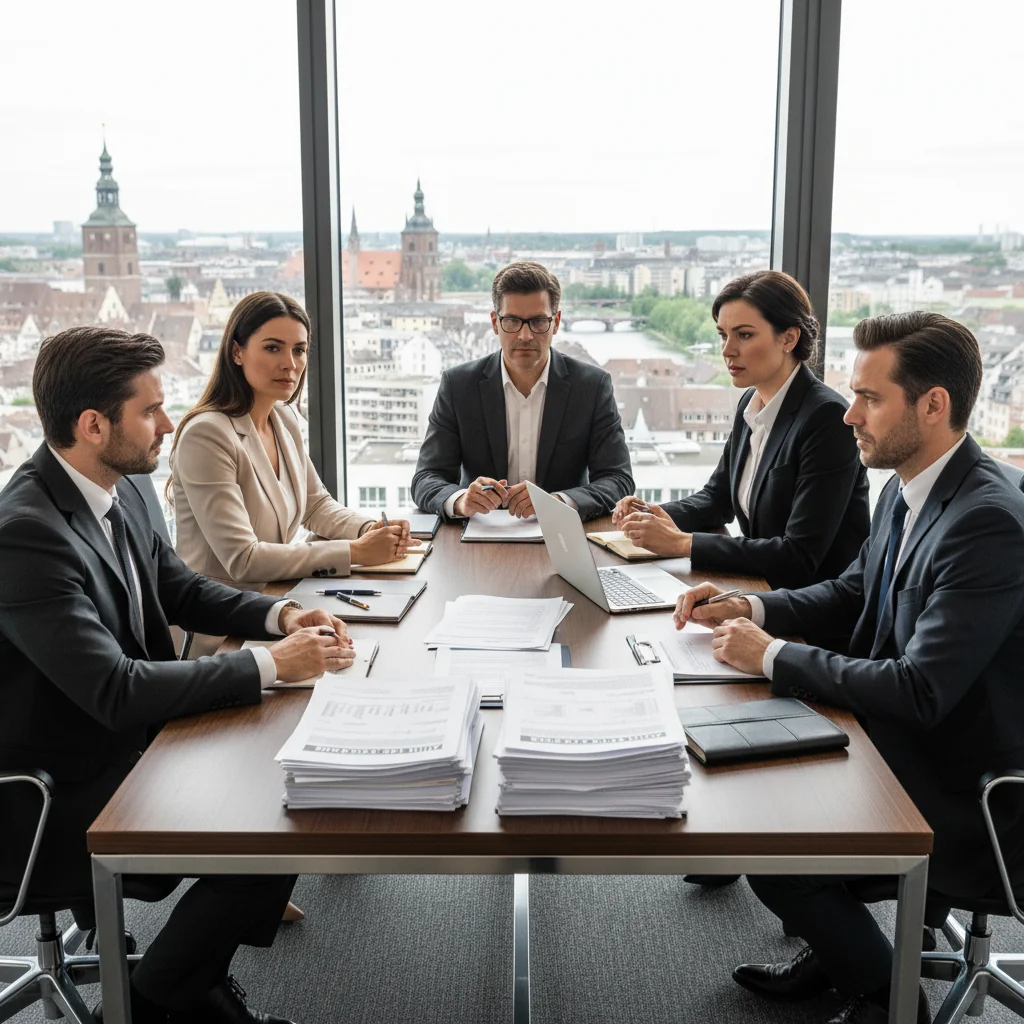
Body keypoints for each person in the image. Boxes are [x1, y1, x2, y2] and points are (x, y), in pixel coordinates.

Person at [674, 311, 1024, 1024]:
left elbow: (922, 690)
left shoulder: (987, 521)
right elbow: (852, 591)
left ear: (933, 405)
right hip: (908, 735)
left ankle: (884, 997)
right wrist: (753, 608)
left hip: (974, 788)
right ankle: (848, 953)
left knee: (773, 844)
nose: (849, 416)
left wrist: (770, 656)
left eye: (869, 398)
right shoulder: (910, 482)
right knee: (746, 769)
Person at [0, 325, 352, 1023]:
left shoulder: (119, 488)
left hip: (121, 741)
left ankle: (189, 987)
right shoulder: (26, 534)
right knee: (260, 824)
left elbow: (181, 587)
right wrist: (265, 665)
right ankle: (153, 1002)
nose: (168, 424)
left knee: (281, 777)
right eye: (151, 411)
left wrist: (279, 618)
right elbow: (116, 690)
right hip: (48, 793)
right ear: (94, 425)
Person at [613, 270, 869, 592]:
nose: (727, 350)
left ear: (789, 338)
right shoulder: (752, 400)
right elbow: (717, 499)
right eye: (723, 335)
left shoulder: (827, 418)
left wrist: (681, 543)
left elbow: (798, 555)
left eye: (744, 335)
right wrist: (652, 514)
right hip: (757, 587)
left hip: (808, 611)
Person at [170, 291, 410, 604]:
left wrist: (368, 528)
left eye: (299, 350)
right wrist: (356, 551)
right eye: (273, 348)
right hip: (219, 623)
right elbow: (243, 559)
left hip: (279, 599)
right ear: (236, 352)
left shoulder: (282, 417)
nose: (290, 364)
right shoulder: (206, 436)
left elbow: (315, 506)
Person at [410, 260, 634, 521]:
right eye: (512, 321)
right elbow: (425, 479)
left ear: (556, 322)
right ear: (495, 323)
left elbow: (618, 480)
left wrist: (558, 502)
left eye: (538, 322)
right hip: (478, 538)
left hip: (563, 537)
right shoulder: (459, 386)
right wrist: (460, 500)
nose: (525, 335)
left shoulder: (592, 387)